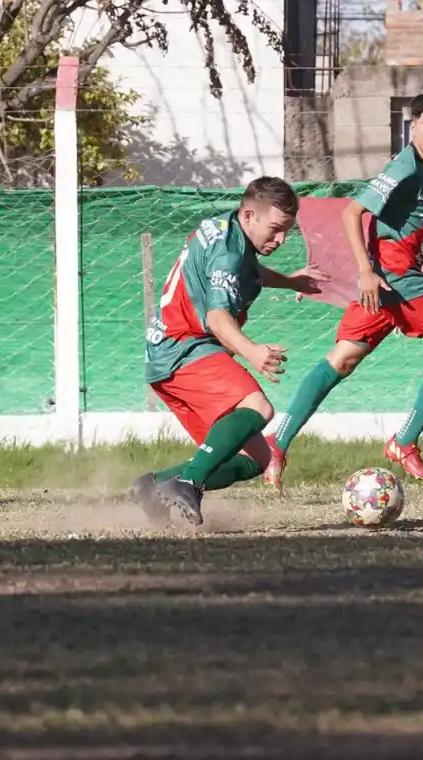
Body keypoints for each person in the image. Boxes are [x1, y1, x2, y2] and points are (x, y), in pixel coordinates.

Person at [263, 92, 423, 491]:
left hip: (395, 282)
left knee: (342, 360)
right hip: (395, 280)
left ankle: (278, 441)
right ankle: (404, 441)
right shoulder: (405, 165)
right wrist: (365, 273)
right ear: (413, 127)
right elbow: (351, 212)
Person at [129, 176, 325, 527]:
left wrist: (290, 280)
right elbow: (217, 317)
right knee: (259, 407)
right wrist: (251, 351)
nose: (281, 240)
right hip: (183, 349)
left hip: (166, 357)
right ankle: (188, 483)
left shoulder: (226, 228)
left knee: (258, 459)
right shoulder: (230, 253)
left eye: (287, 232)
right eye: (276, 229)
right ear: (250, 214)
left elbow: (244, 272)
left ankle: (154, 486)